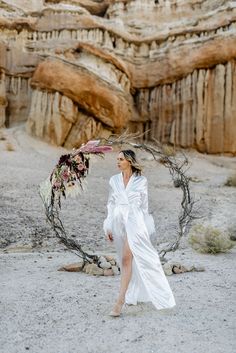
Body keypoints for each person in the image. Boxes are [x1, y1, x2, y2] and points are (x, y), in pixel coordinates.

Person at [103, 149, 176, 317]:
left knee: (129, 257)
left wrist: (146, 227)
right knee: (125, 260)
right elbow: (111, 204)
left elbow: (144, 206)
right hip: (119, 221)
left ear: (129, 161)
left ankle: (119, 302)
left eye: (121, 159)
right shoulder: (114, 180)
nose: (118, 161)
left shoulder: (141, 181)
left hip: (136, 221)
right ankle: (132, 292)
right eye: (117, 159)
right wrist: (108, 225)